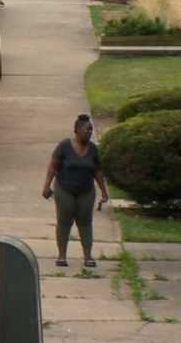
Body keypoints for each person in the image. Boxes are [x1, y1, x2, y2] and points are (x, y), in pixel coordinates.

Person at [42, 114, 109, 268]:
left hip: (86, 192)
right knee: (64, 222)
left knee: (85, 223)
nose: (90, 132)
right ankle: (62, 256)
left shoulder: (93, 150)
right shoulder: (64, 146)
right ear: (77, 130)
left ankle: (88, 256)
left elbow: (98, 171)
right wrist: (46, 186)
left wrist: (104, 191)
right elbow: (53, 166)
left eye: (91, 130)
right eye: (87, 129)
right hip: (64, 190)